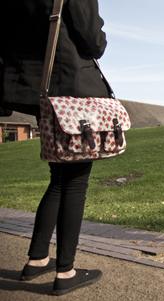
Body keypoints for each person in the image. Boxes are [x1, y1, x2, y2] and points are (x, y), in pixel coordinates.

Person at [1, 0, 109, 295]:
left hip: (36, 88)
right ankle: (66, 272)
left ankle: (37, 260)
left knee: (59, 178)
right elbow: (93, 41)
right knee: (74, 183)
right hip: (70, 88)